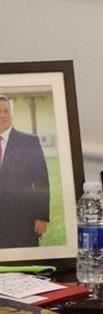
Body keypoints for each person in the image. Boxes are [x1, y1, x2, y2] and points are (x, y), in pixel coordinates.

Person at [0, 95, 51, 249]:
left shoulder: (29, 141)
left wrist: (42, 216)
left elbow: (41, 180)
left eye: (6, 111)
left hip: (22, 219)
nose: (2, 115)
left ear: (11, 114)